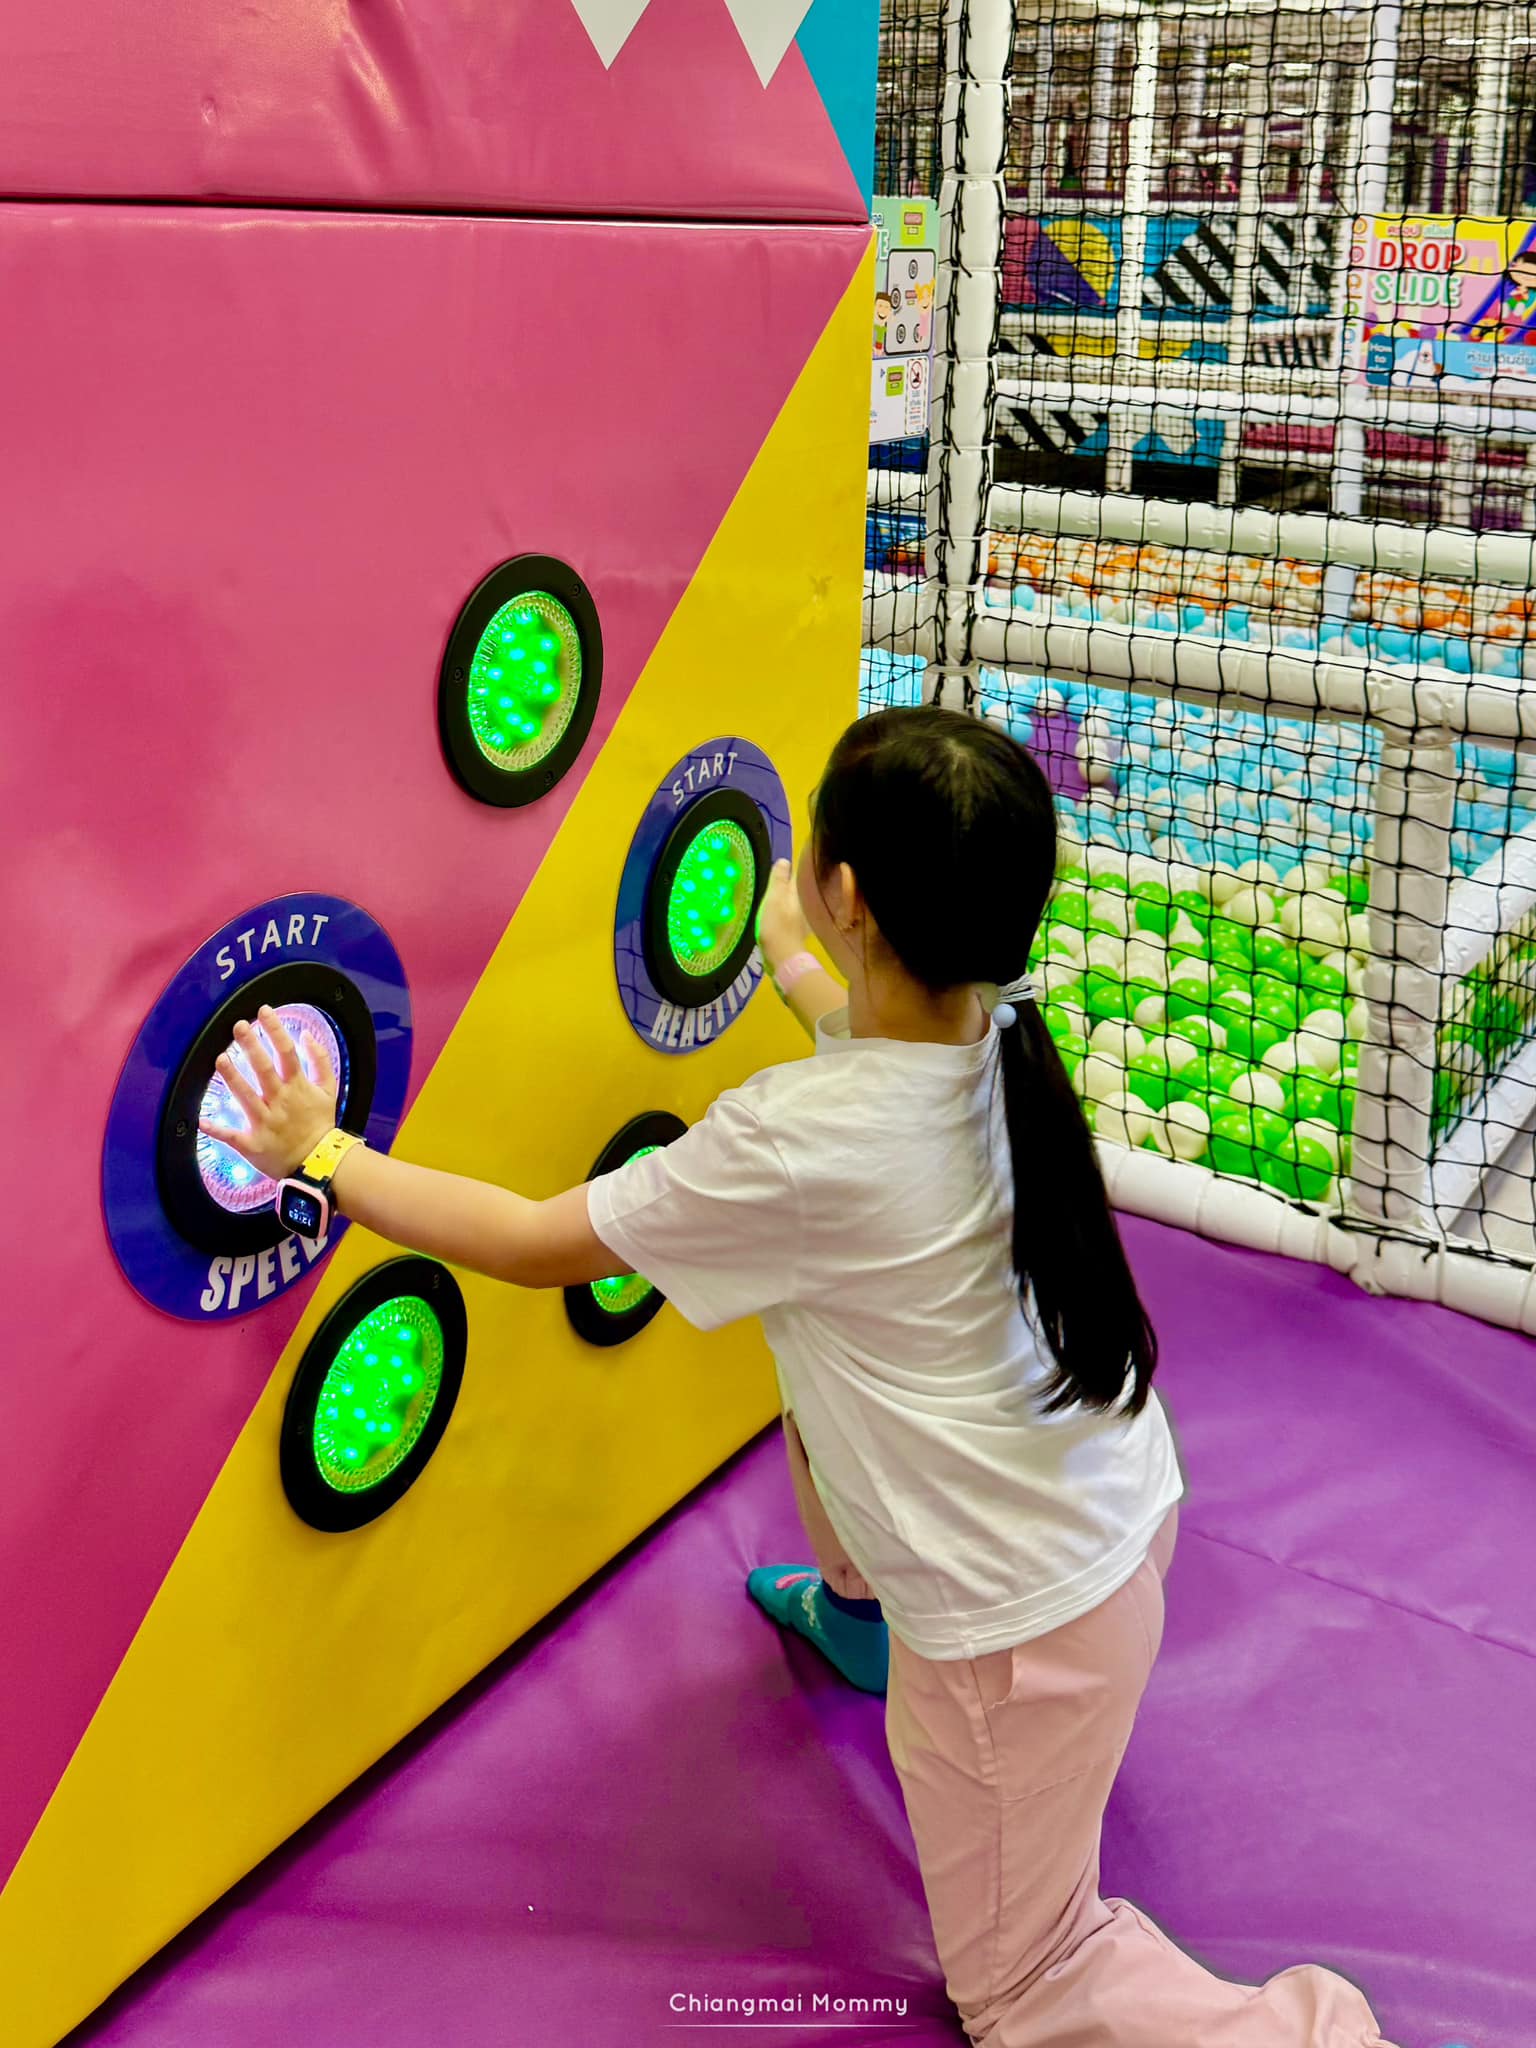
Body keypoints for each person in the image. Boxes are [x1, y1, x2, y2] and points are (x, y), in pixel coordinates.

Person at [208, 706, 1407, 2046]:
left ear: (848, 892)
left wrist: (324, 1152)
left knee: (1025, 1986)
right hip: (1115, 1514)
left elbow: (538, 1243)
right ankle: (860, 1611)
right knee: (822, 1349)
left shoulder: (791, 1149)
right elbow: (859, 1034)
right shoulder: (996, 1038)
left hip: (1019, 1638)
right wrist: (790, 954)